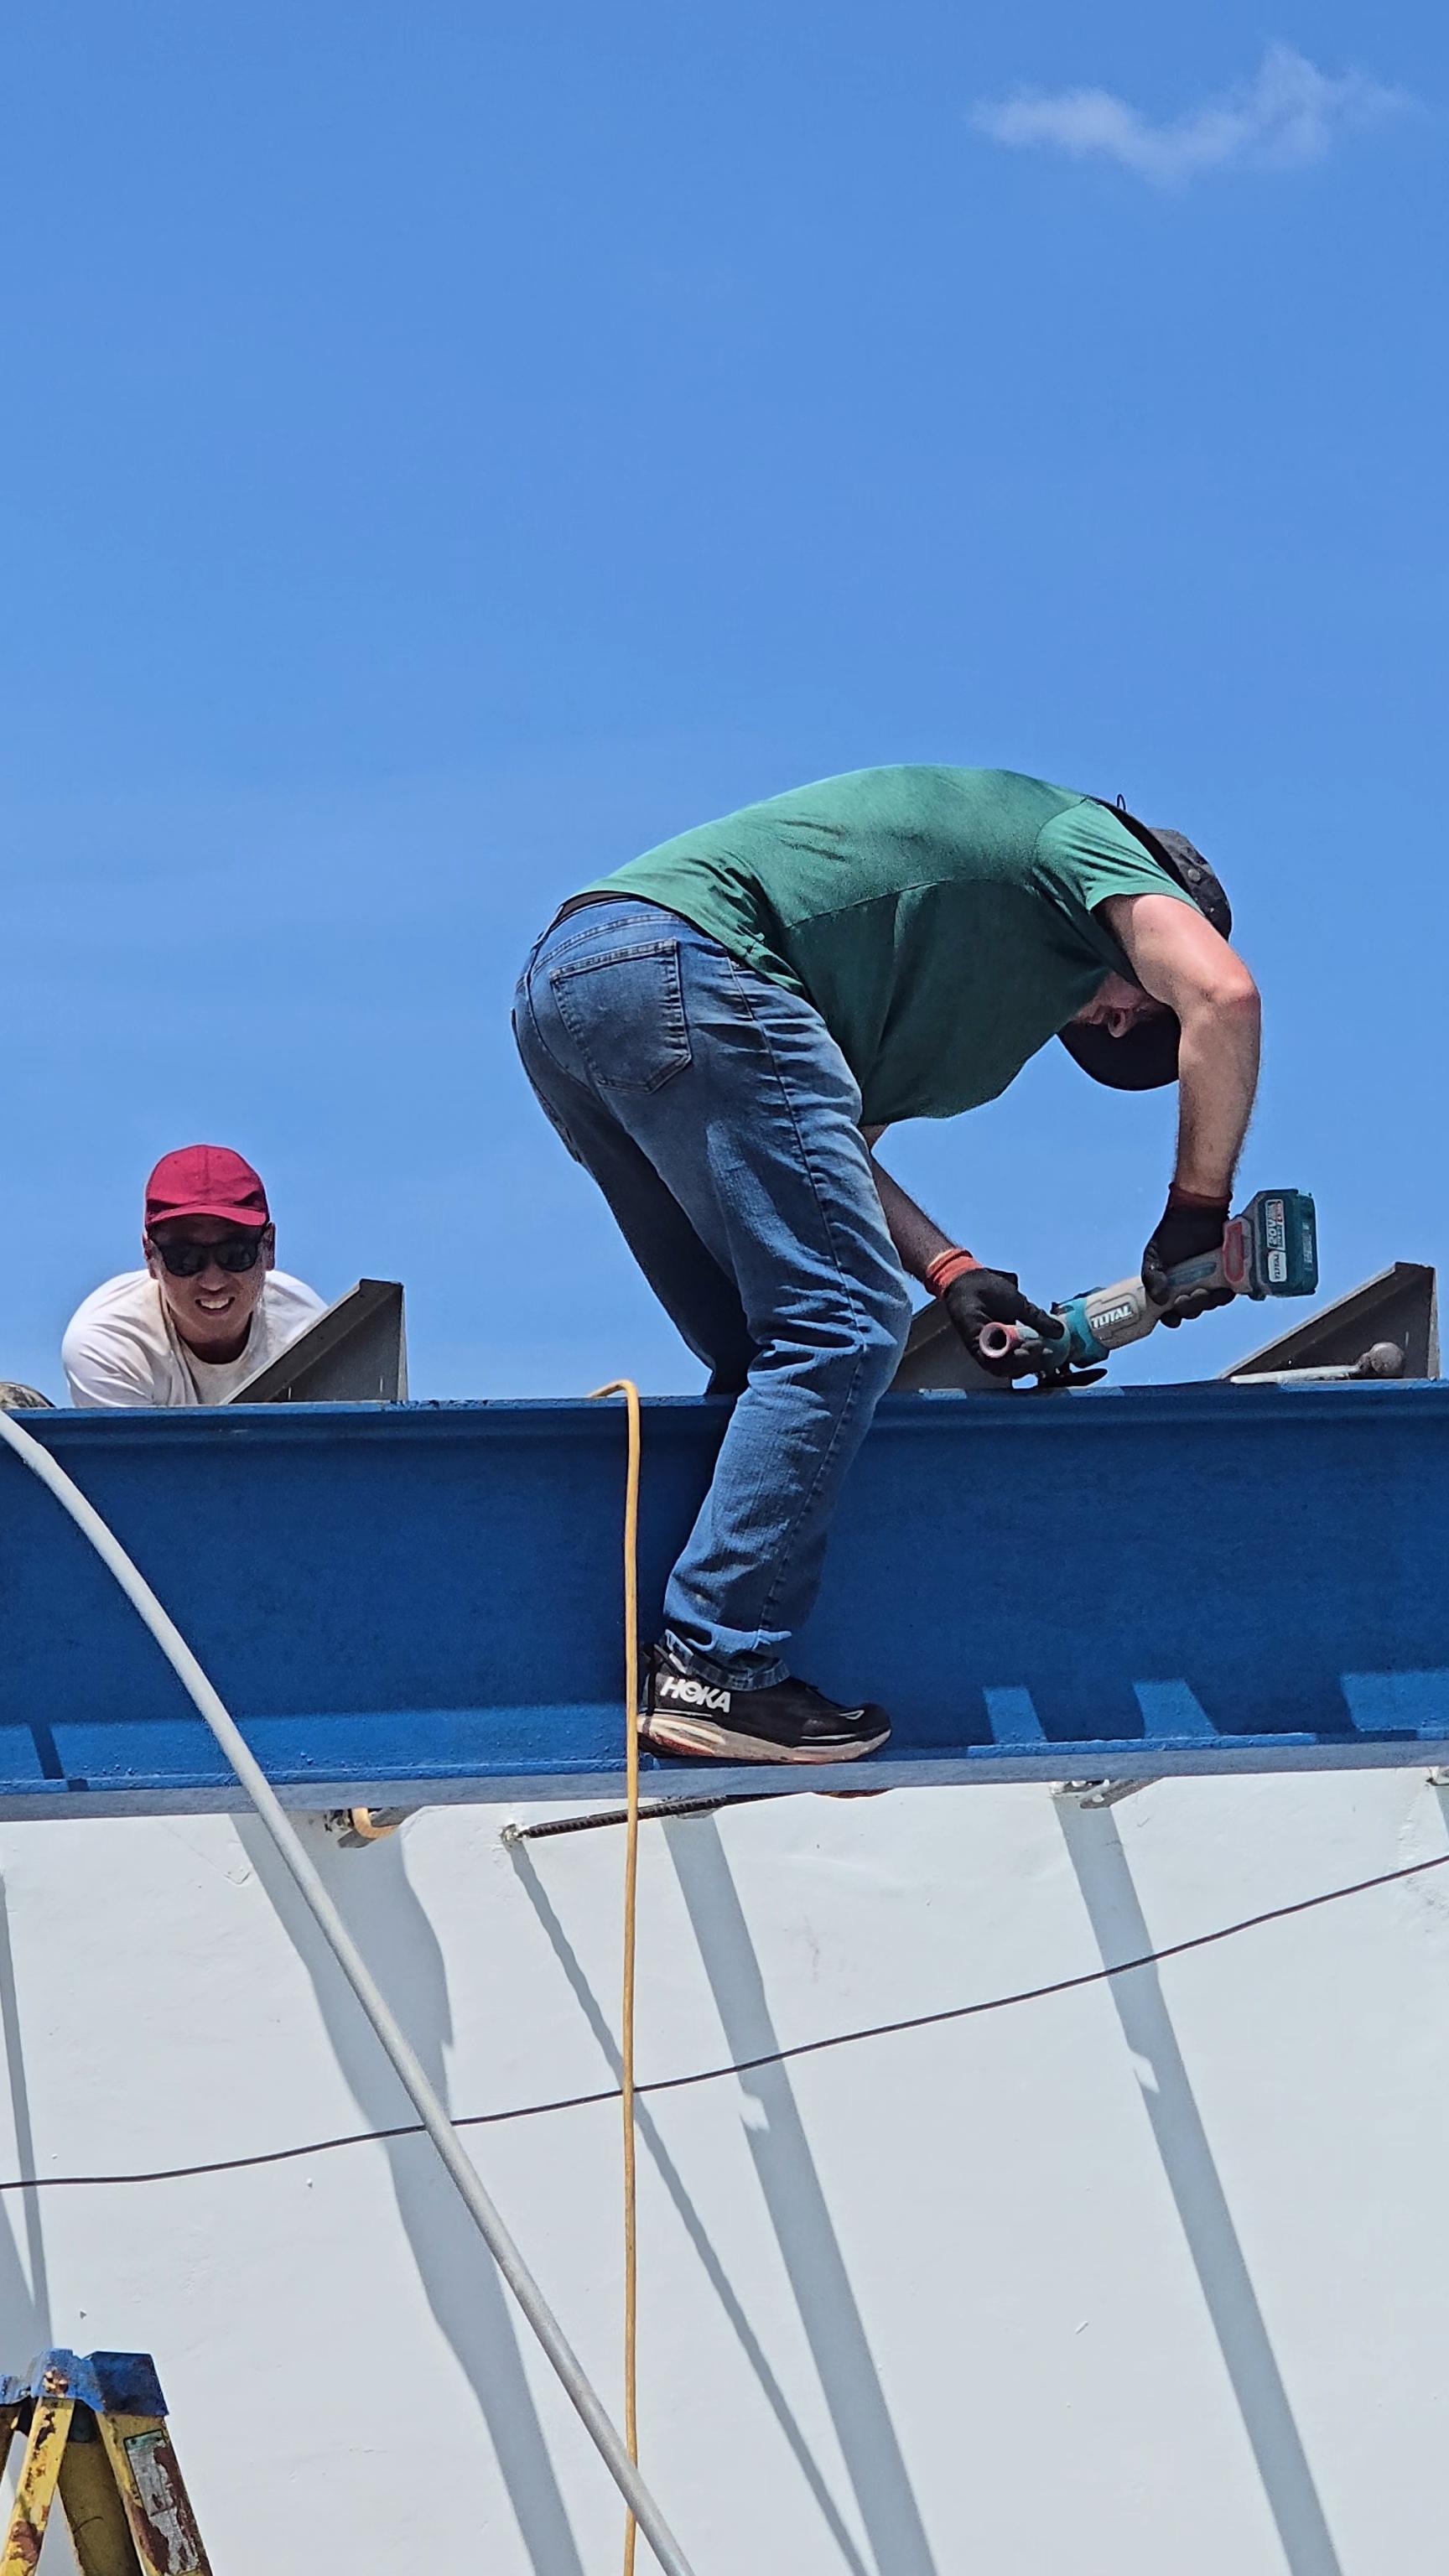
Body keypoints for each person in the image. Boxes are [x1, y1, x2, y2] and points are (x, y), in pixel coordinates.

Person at [514, 765, 1260, 1767]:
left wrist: (948, 1270)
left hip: (576, 990)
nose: (1125, 1022)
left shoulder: (972, 1023)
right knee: (838, 1328)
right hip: (687, 962)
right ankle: (716, 1664)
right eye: (1143, 998)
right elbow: (1225, 995)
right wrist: (1195, 1214)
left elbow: (825, 1149)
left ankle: (714, 1674)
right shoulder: (1082, 842)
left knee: (766, 1347)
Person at [63, 1145, 325, 1408]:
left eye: (235, 1253)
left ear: (269, 1247)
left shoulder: (306, 1330)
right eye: (185, 1258)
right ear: (150, 1257)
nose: (213, 1281)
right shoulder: (110, 1344)